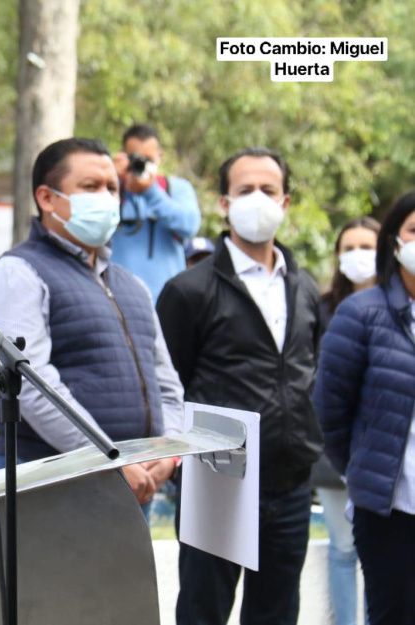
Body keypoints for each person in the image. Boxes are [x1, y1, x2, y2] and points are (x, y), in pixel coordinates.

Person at [157, 147, 323, 625]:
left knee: (276, 612)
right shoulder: (189, 290)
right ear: (224, 203)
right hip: (219, 480)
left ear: (286, 202)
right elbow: (170, 383)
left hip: (290, 484)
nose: (257, 199)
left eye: (268, 190)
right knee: (203, 611)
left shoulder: (305, 288)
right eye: (245, 189)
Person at [0, 137, 183, 510]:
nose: (106, 198)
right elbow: (33, 386)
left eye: (112, 189)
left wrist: (167, 452)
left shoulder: (130, 285)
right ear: (47, 198)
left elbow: (167, 384)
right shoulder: (19, 273)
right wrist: (107, 456)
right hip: (53, 485)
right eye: (90, 187)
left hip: (137, 483)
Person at [314, 191, 415, 625]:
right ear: (395, 240)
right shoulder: (361, 314)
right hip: (391, 511)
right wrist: (362, 469)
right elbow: (329, 410)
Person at [312, 217, 379, 625]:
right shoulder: (322, 308)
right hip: (332, 447)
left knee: (383, 553)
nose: (356, 256)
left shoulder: (401, 306)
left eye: (366, 246)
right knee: (342, 547)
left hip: (385, 452)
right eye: (348, 247)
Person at [109, 123, 201, 299]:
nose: (142, 164)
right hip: (118, 298)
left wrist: (150, 192)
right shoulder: (113, 190)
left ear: (160, 157)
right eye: (135, 158)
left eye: (148, 159)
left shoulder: (176, 188)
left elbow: (190, 226)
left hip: (167, 300)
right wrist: (111, 179)